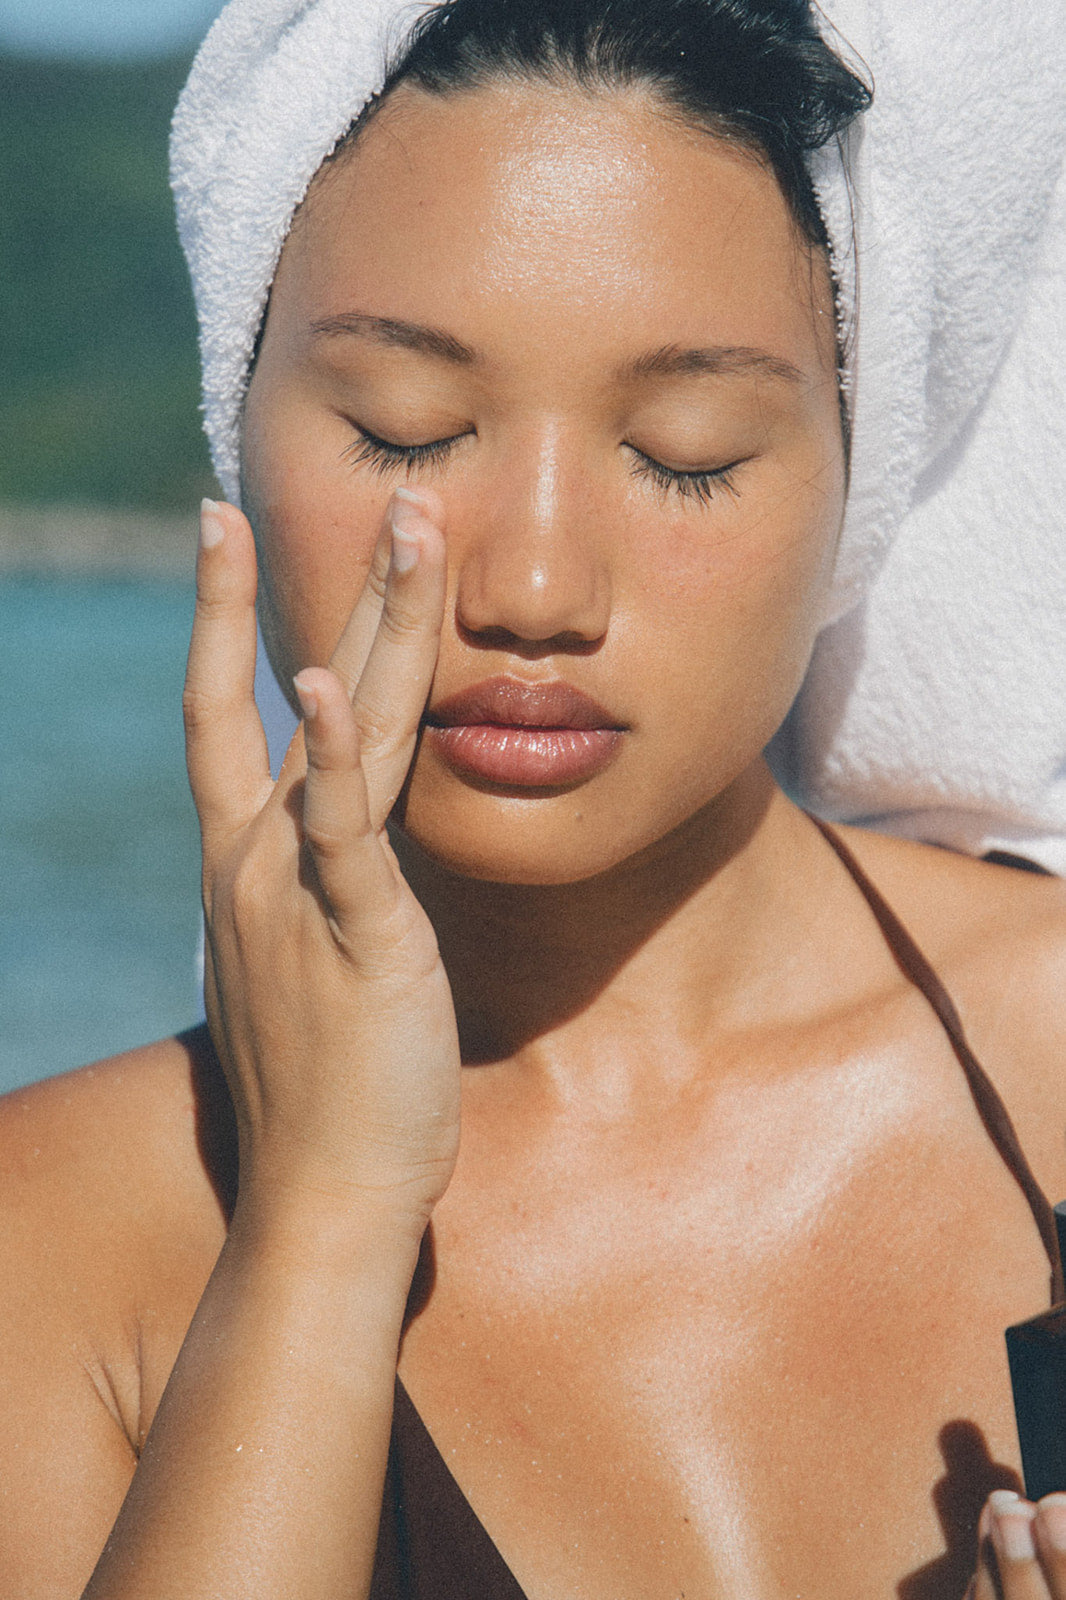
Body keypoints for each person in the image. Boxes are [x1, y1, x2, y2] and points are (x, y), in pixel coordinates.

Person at [3, 0, 1066, 1595]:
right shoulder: (53, 1244)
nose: (538, 587)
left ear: (864, 469)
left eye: (687, 452)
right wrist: (321, 1216)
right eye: (406, 431)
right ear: (238, 417)